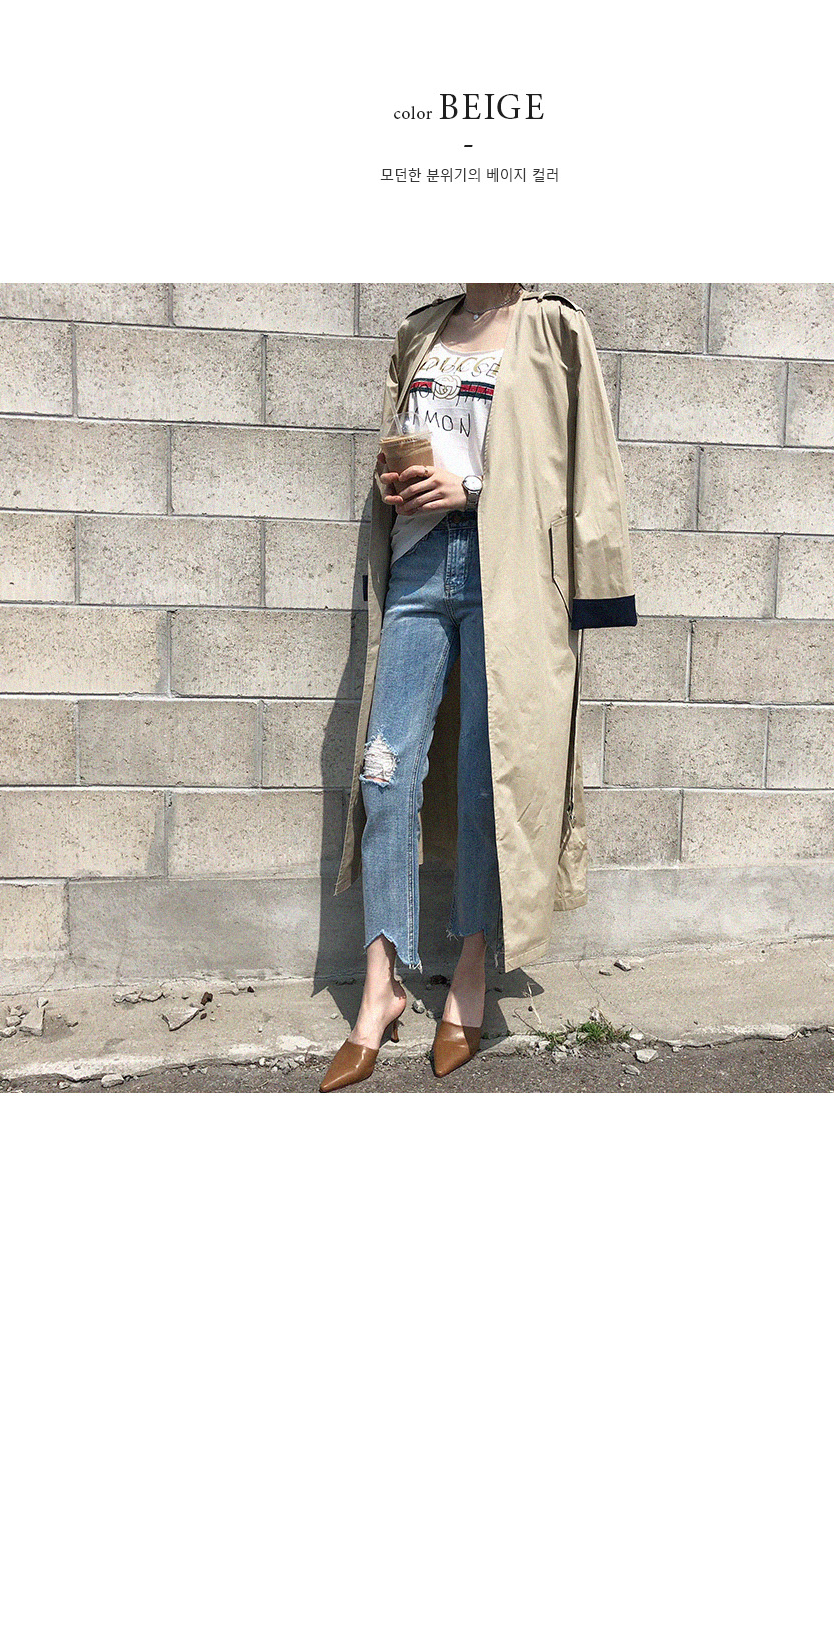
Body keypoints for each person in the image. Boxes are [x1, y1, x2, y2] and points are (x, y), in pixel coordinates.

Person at [323, 285, 636, 1088]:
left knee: (484, 777)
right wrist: (397, 482)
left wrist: (472, 491)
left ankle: (470, 974)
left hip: (510, 572)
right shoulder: (421, 330)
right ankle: (382, 987)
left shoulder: (554, 329)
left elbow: (585, 466)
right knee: (385, 773)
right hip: (418, 563)